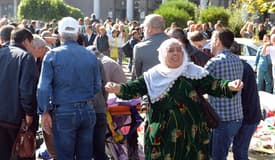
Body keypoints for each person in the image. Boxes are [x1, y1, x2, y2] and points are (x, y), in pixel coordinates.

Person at [105, 38, 244, 160]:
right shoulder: (153, 76)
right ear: (163, 54)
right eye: (171, 51)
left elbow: (214, 85)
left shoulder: (193, 72)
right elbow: (132, 89)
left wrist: (230, 85)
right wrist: (117, 88)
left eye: (179, 50)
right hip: (163, 138)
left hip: (193, 137)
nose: (176, 53)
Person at [37, 17, 102, 159]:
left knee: (64, 156)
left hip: (64, 111)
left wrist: (44, 111)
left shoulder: (52, 55)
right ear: (78, 33)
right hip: (87, 109)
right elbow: (97, 86)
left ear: (59, 34)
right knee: (85, 156)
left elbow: (43, 88)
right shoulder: (90, 55)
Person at [204, 28, 244, 160]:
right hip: (236, 117)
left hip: (221, 119)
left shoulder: (214, 62)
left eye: (212, 40)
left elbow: (200, 84)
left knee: (217, 157)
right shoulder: (237, 60)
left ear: (217, 41)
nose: (210, 43)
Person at [0, 28, 37, 160]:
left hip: (4, 117)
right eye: (32, 43)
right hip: (16, 118)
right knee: (22, 153)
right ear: (26, 41)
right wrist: (29, 113)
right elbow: (26, 89)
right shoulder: (26, 57)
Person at [230, 41, 263, 160]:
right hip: (249, 115)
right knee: (239, 149)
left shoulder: (239, 68)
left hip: (248, 116)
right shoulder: (243, 65)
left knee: (239, 150)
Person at [132, 13, 169, 79]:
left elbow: (138, 75)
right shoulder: (176, 43)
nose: (143, 31)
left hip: (148, 86)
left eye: (144, 28)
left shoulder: (140, 47)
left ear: (150, 29)